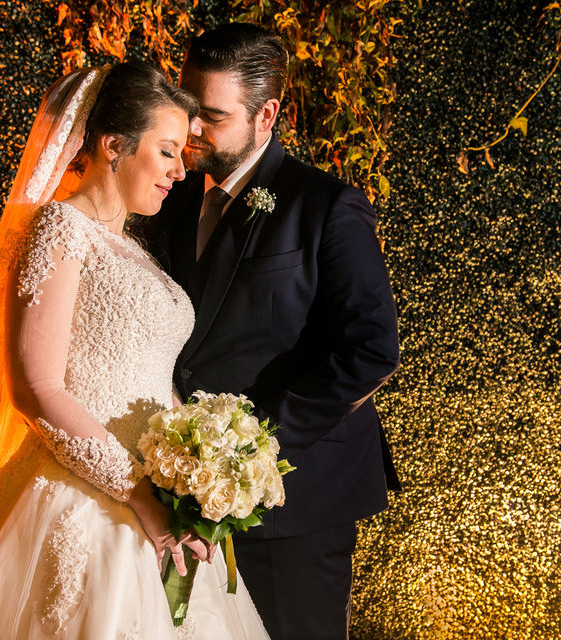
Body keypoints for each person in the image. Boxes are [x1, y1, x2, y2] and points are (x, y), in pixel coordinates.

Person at [0, 62, 269, 639]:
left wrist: (203, 465)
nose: (181, 171)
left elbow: (148, 374)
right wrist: (141, 499)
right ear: (112, 146)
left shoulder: (133, 251)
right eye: (168, 151)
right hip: (82, 501)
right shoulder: (59, 228)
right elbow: (36, 387)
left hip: (154, 497)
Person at [135, 23, 401, 640]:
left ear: (267, 115)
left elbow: (370, 349)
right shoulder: (168, 198)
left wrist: (253, 453)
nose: (192, 130)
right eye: (188, 107)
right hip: (184, 495)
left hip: (297, 502)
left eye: (214, 116)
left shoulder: (328, 207)